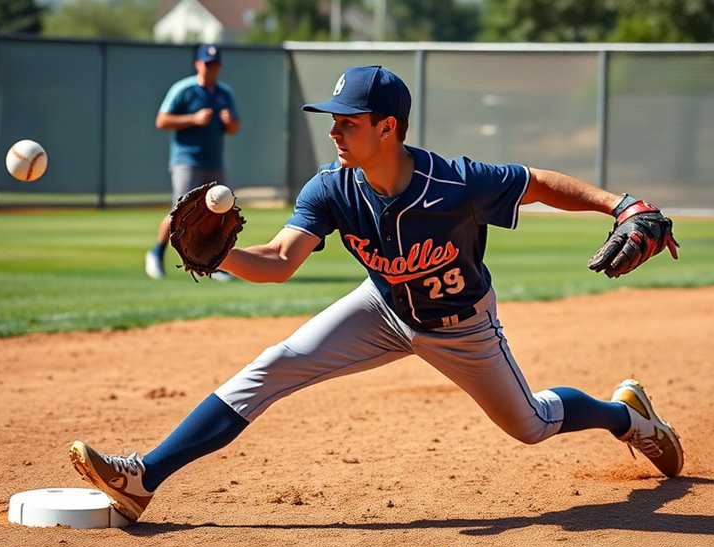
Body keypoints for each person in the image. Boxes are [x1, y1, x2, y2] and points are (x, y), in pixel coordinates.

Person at [72, 65, 683, 523]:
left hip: (462, 327)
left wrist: (624, 205)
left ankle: (625, 416)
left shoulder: (456, 182)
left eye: (349, 121)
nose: (335, 130)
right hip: (383, 308)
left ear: (387, 127)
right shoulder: (331, 188)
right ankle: (143, 478)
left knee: (530, 423)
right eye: (333, 119)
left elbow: (540, 183)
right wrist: (224, 254)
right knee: (273, 366)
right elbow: (280, 261)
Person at [145, 43, 240, 282]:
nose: (210, 68)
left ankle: (216, 264)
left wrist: (229, 122)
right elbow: (161, 120)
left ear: (219, 66)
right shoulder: (184, 89)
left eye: (214, 63)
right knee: (180, 212)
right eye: (206, 63)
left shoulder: (224, 92)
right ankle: (156, 253)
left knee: (219, 213)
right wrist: (193, 119)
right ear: (198, 64)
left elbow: (235, 127)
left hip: (214, 160)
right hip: (186, 160)